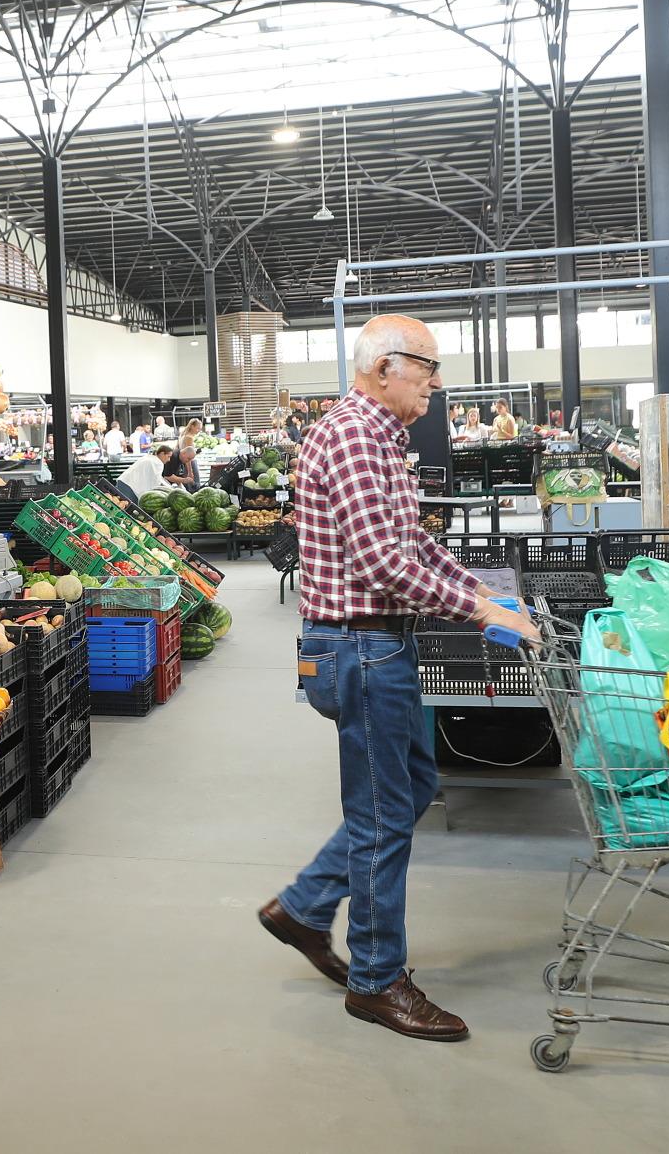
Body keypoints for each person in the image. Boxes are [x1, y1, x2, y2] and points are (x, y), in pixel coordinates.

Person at [259, 315, 537, 1043]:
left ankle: (304, 906)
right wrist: (479, 616)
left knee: (408, 789)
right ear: (384, 366)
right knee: (386, 813)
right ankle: (377, 980)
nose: (436, 383)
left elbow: (410, 542)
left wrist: (485, 592)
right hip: (359, 648)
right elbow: (384, 565)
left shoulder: (379, 436)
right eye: (428, 367)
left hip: (370, 644)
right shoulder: (355, 436)